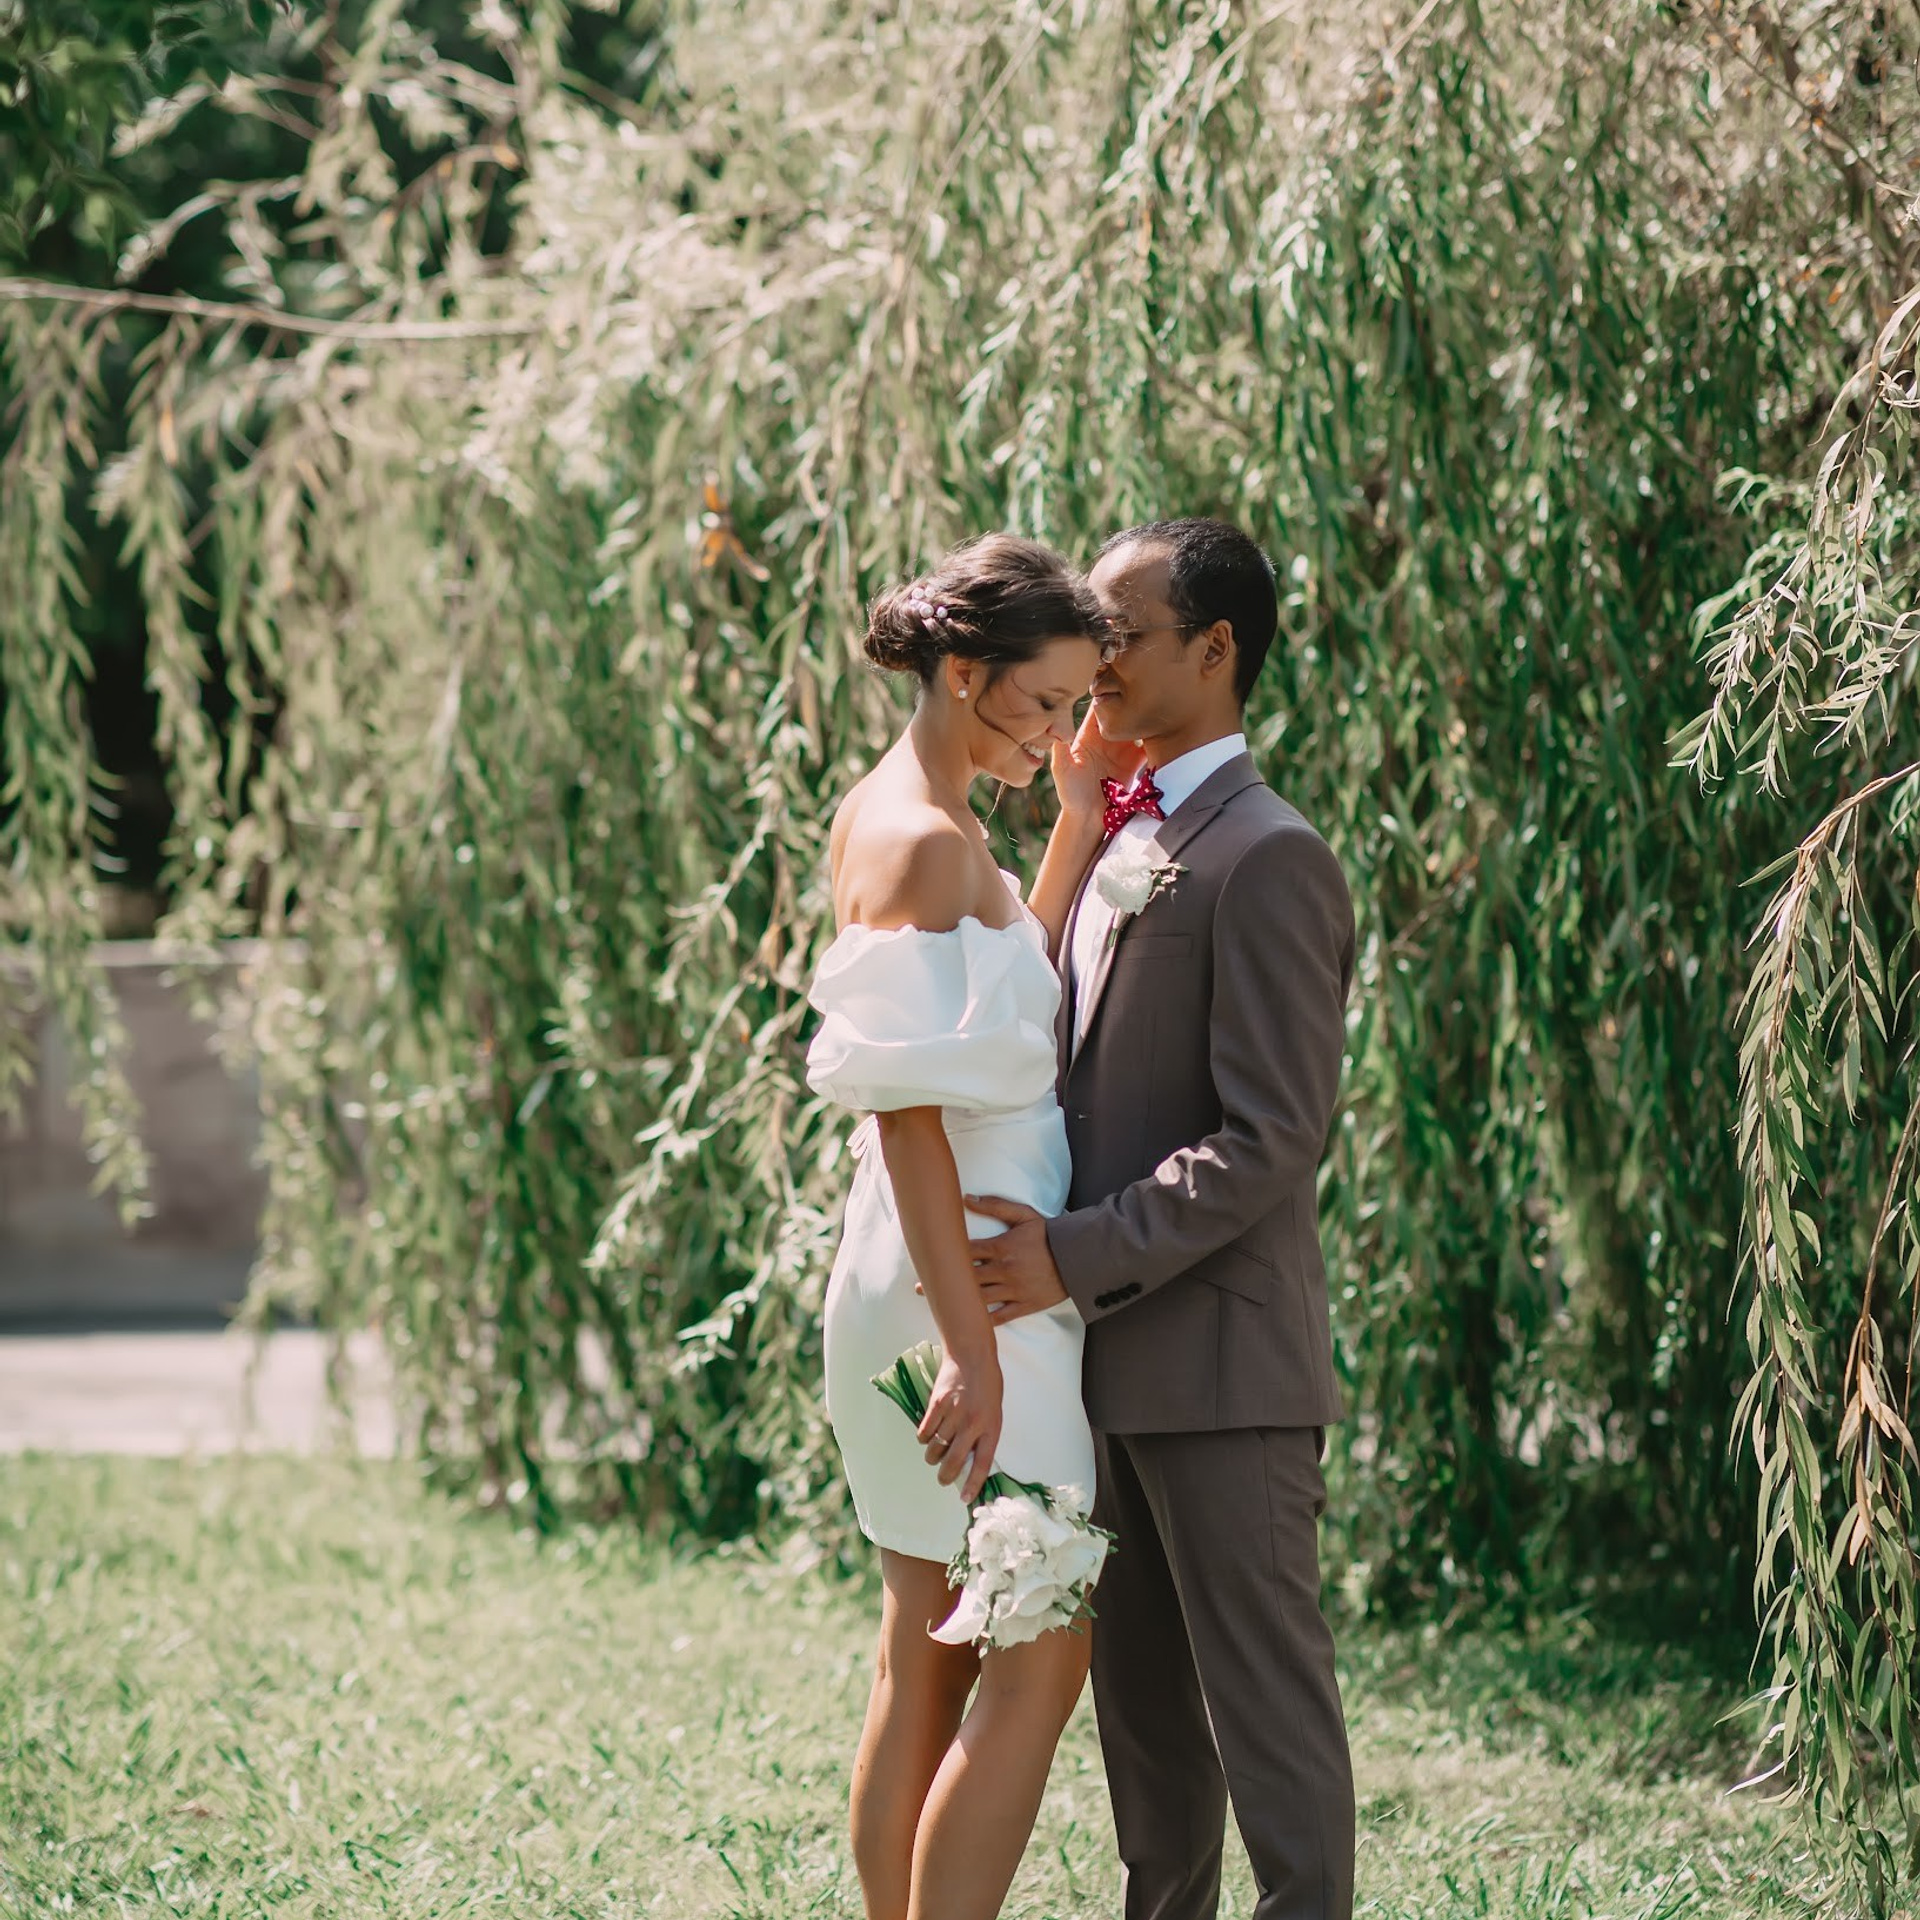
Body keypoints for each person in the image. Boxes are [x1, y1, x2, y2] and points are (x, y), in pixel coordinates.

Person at [964, 518, 1358, 1920]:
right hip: (1106, 1371)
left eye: (1122, 633)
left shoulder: (1267, 856)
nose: (1095, 658)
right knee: (1145, 1740)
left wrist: (1066, 1254)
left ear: (1216, 649)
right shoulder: (1126, 823)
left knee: (1269, 1727)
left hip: (1223, 1374)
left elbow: (1267, 1143)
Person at [803, 533, 1132, 1920]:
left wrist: (1068, 818)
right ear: (959, 671)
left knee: (929, 1647)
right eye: (1044, 703)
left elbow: (1003, 1011)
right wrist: (975, 1356)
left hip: (943, 1279)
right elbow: (907, 1118)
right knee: (1041, 1648)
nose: (1061, 728)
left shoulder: (923, 816)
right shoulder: (924, 842)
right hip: (974, 1296)